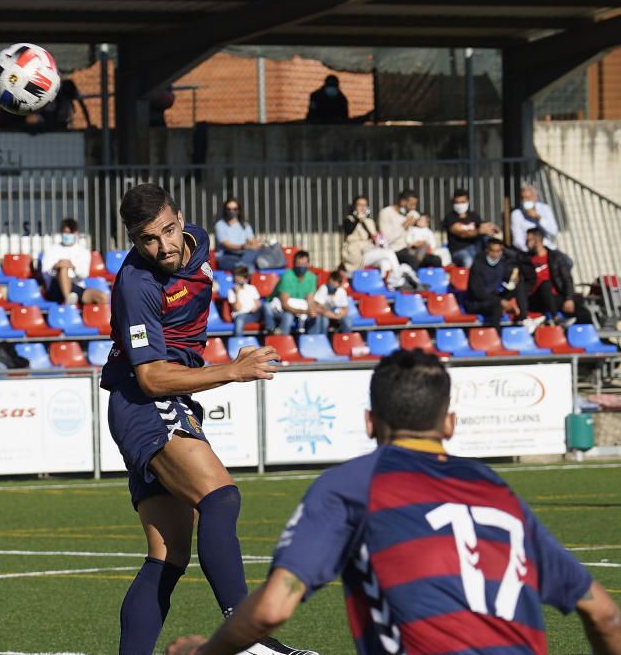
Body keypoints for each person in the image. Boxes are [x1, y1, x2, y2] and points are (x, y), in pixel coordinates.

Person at [165, 350, 621, 655]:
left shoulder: (353, 486)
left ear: (369, 422)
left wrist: (205, 653)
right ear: (450, 424)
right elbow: (603, 613)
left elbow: (272, 608)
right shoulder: (498, 492)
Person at [101, 183, 315, 655]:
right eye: (148, 240)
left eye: (169, 231)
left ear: (182, 219)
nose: (164, 246)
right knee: (220, 498)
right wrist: (232, 371)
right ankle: (248, 642)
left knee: (168, 555)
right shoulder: (136, 284)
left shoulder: (198, 242)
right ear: (134, 242)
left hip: (165, 395)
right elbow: (153, 378)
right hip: (144, 399)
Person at [464, 240, 538, 330]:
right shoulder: (477, 266)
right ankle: (496, 335)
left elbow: (506, 278)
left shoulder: (501, 264)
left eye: (498, 251)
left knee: (519, 284)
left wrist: (514, 279)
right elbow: (478, 293)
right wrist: (500, 301)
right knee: (497, 306)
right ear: (487, 251)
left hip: (495, 297)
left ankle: (524, 318)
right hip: (477, 302)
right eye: (492, 251)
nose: (495, 254)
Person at [526, 228, 592, 326]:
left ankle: (581, 337)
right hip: (536, 299)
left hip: (556, 298)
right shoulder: (525, 260)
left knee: (584, 314)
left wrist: (569, 298)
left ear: (536, 241)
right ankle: (555, 319)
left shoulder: (556, 257)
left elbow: (567, 279)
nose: (525, 244)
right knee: (546, 284)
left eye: (528, 240)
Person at [340, 195, 408, 289]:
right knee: (389, 253)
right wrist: (357, 219)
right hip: (356, 254)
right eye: (359, 205)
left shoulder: (369, 221)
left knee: (385, 263)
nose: (362, 208)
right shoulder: (349, 219)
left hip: (369, 250)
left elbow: (374, 236)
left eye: (364, 205)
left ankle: (388, 286)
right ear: (354, 207)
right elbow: (348, 230)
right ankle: (398, 278)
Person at [40, 217, 110, 306]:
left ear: (76, 233)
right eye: (65, 232)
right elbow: (44, 271)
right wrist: (57, 266)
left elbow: (84, 274)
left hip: (76, 287)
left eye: (70, 233)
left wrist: (72, 266)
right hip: (55, 288)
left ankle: (70, 300)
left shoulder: (83, 252)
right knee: (63, 268)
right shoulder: (52, 250)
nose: (67, 235)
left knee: (102, 297)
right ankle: (68, 301)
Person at [379, 190, 441, 270]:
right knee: (413, 260)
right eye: (412, 205)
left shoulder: (410, 214)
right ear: (403, 202)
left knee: (436, 260)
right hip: (394, 250)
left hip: (411, 249)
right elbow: (386, 239)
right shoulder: (386, 213)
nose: (414, 208)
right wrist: (404, 225)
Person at [442, 189, 499, 268]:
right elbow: (462, 233)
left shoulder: (473, 215)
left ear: (467, 202)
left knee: (488, 240)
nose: (460, 205)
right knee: (468, 260)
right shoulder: (450, 218)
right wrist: (478, 231)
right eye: (457, 202)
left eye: (462, 202)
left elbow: (483, 225)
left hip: (476, 248)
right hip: (459, 250)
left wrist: (492, 227)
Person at [271, 251, 318, 335]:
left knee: (318, 318)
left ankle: (311, 343)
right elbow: (284, 305)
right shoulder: (287, 276)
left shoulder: (312, 277)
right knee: (288, 317)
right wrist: (304, 312)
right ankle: (282, 343)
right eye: (299, 264)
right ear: (294, 264)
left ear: (308, 264)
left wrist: (311, 312)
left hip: (300, 309)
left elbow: (310, 300)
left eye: (303, 264)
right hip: (279, 309)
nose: (301, 266)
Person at [214, 198, 263, 273]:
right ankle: (243, 267)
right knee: (250, 265)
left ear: (239, 210)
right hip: (226, 256)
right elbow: (227, 245)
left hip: (242, 255)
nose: (231, 211)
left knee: (255, 251)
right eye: (229, 209)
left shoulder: (245, 225)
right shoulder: (220, 225)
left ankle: (241, 267)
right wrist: (244, 246)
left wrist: (257, 244)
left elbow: (251, 240)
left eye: (235, 209)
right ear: (225, 210)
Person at [228, 265, 279, 336]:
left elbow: (258, 303)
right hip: (241, 315)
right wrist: (237, 293)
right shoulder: (231, 291)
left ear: (245, 278)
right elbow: (237, 308)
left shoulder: (252, 288)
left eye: (241, 277)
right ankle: (238, 340)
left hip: (254, 314)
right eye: (237, 277)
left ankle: (270, 329)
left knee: (266, 305)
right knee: (239, 319)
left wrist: (255, 308)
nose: (238, 279)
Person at [511, 184, 560, 253]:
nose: (526, 200)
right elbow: (517, 240)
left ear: (535, 197)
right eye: (523, 198)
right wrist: (528, 251)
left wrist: (538, 217)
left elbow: (553, 231)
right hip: (528, 250)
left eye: (529, 198)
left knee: (567, 261)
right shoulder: (517, 213)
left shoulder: (545, 208)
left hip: (547, 248)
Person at [308, 270, 351, 336]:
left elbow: (345, 308)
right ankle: (324, 340)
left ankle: (346, 339)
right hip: (326, 313)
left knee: (347, 321)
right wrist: (333, 315)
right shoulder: (323, 288)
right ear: (330, 280)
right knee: (324, 321)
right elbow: (319, 308)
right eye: (332, 282)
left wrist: (341, 314)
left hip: (337, 313)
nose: (332, 285)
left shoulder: (341, 291)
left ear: (339, 284)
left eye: (335, 284)